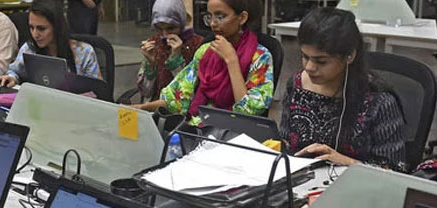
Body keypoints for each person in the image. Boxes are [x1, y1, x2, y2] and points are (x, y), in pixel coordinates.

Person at [279, 8, 406, 170]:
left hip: (354, 187)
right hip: (299, 182)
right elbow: (284, 140)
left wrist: (347, 162)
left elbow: (395, 170)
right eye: (305, 57)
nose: (309, 67)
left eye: (321, 61)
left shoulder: (379, 101)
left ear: (350, 56)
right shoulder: (296, 85)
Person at [135, 0, 274, 126]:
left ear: (242, 18)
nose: (213, 23)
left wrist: (231, 61)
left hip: (234, 136)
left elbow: (248, 113)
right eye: (210, 16)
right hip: (199, 131)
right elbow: (177, 97)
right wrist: (140, 108)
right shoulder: (206, 51)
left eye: (220, 17)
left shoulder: (260, 57)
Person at [0, 0, 102, 88]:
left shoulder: (84, 53)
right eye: (31, 27)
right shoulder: (29, 48)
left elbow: (97, 91)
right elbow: (15, 71)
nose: (35, 34)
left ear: (57, 27)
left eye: (41, 29)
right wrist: (11, 77)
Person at [137, 0, 206, 102]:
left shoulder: (198, 45)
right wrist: (150, 64)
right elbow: (146, 92)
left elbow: (190, 93)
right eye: (159, 29)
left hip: (184, 112)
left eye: (171, 28)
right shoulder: (154, 43)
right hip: (156, 108)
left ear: (181, 22)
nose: (165, 34)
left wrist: (176, 60)